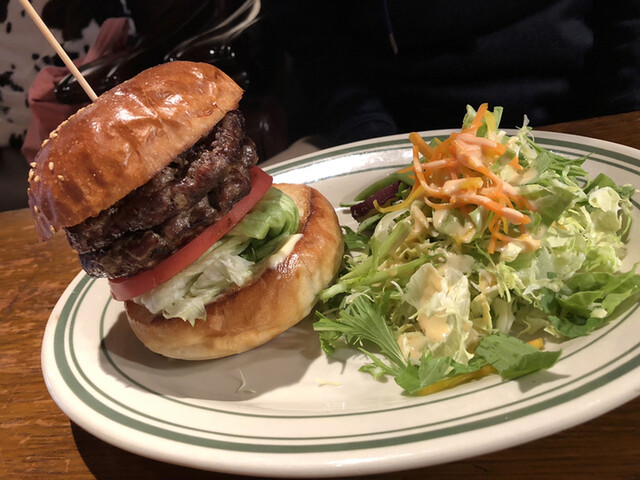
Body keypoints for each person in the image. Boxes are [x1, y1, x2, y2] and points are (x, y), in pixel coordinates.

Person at [262, 0, 640, 148]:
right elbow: (317, 52)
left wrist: (618, 128)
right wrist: (374, 145)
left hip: (580, 117)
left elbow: (627, 27)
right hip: (394, 132)